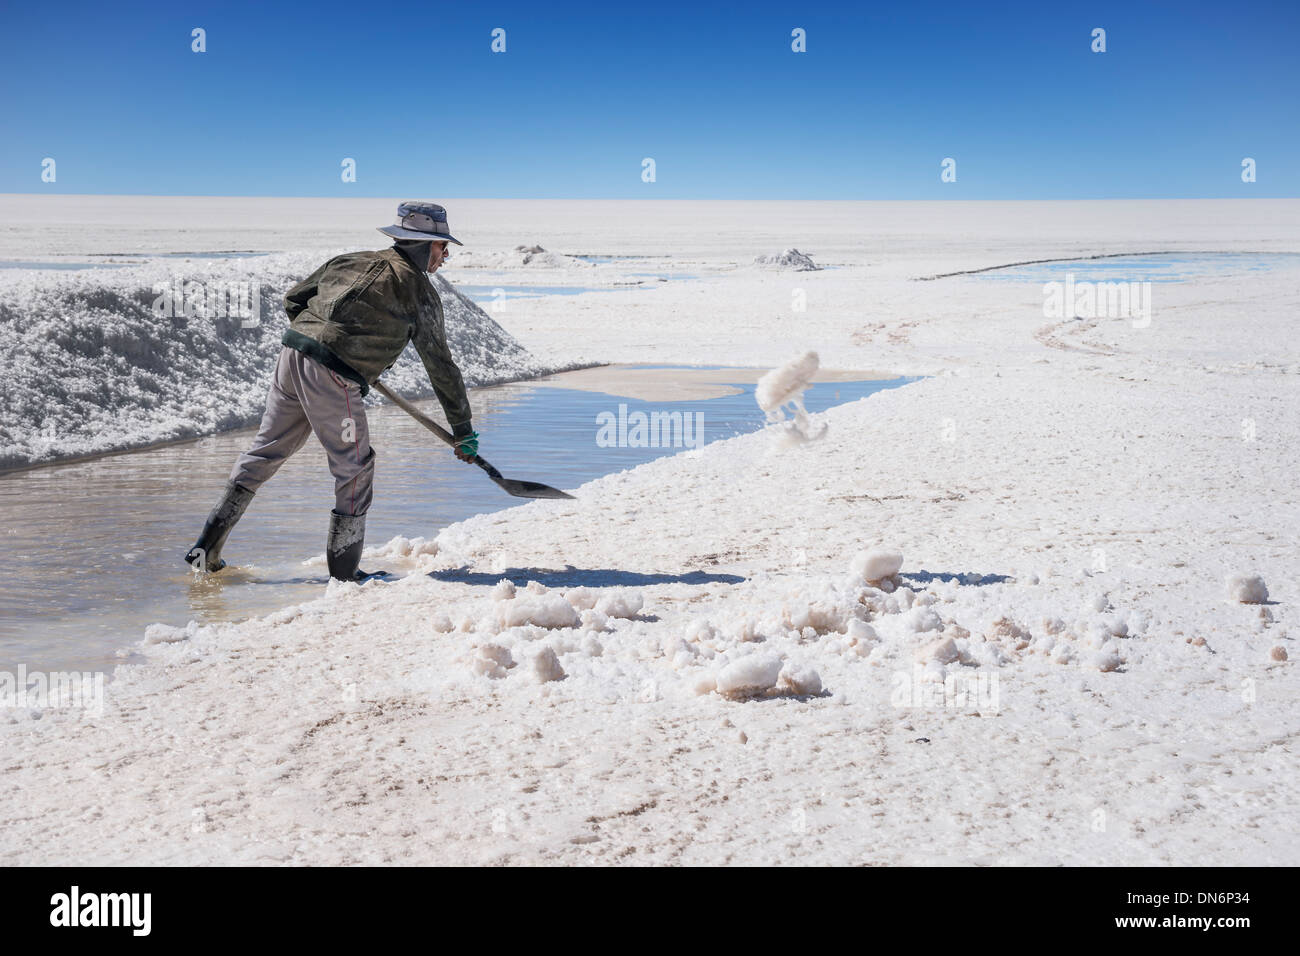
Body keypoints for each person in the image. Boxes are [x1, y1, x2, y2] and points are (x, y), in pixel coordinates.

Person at [183, 201, 479, 581]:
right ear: (423, 245)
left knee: (266, 450)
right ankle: (345, 575)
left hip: (292, 356)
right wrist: (464, 430)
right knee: (355, 468)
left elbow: (294, 299)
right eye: (441, 246)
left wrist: (322, 341)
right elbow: (441, 366)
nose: (445, 254)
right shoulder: (417, 290)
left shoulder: (348, 260)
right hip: (332, 375)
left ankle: (204, 553)